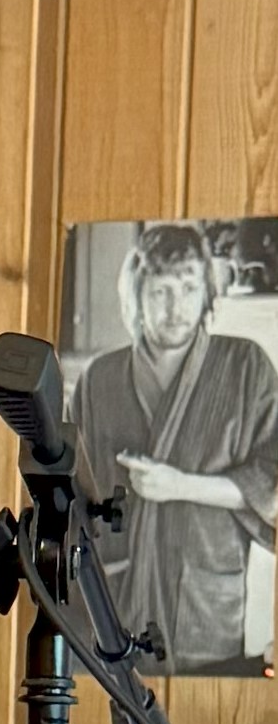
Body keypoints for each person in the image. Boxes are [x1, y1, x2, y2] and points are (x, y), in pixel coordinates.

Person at [72, 223, 278, 675]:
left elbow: (273, 484)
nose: (176, 308)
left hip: (206, 608)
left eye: (188, 289)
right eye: (161, 292)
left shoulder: (246, 368)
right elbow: (72, 498)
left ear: (207, 292)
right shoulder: (99, 380)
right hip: (117, 602)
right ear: (137, 297)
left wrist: (181, 485)